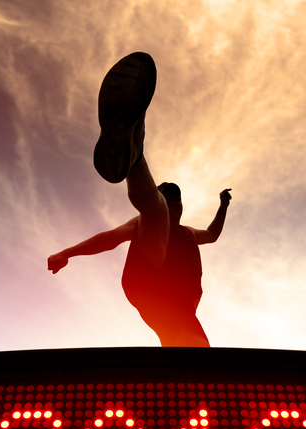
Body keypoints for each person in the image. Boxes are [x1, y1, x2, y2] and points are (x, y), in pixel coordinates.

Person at [48, 52, 231, 347]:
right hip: (147, 280)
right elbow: (109, 238)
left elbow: (211, 234)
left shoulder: (188, 233)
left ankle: (132, 152)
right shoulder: (147, 221)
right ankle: (134, 157)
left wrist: (222, 206)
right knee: (153, 214)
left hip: (176, 306)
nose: (172, 206)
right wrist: (67, 253)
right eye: (167, 200)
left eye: (175, 203)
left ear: (182, 207)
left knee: (196, 355)